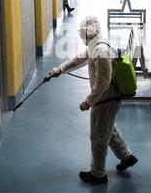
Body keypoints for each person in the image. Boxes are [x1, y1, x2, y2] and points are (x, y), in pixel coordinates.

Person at [51, 16, 138, 184]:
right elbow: (78, 59)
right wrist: (59, 70)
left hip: (106, 99)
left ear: (89, 32)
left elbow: (103, 83)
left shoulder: (101, 51)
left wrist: (88, 101)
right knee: (107, 128)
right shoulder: (96, 45)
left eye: (82, 33)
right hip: (105, 98)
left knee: (98, 135)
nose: (81, 36)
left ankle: (98, 174)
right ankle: (126, 156)